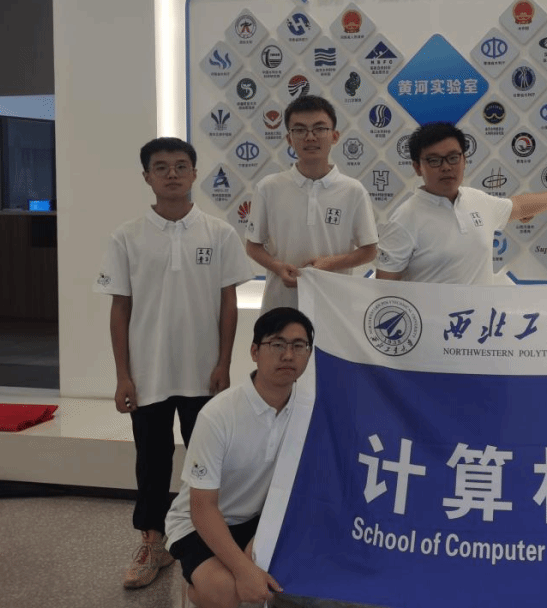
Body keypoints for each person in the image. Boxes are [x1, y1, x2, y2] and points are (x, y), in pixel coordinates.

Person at [93, 137, 255, 589]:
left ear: (194, 173)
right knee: (152, 459)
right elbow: (120, 308)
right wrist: (123, 375)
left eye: (181, 166)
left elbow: (228, 304)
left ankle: (212, 540)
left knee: (210, 461)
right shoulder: (127, 236)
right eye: (161, 167)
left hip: (204, 373)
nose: (171, 174)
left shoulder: (219, 233)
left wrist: (224, 363)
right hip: (149, 374)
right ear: (147, 176)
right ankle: (152, 542)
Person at [165, 307, 314, 608]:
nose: (288, 355)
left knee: (294, 580)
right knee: (228, 592)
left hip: (260, 518)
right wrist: (244, 569)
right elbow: (202, 508)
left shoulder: (309, 410)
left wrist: (259, 540)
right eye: (277, 344)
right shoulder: (218, 415)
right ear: (255, 352)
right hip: (199, 522)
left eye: (299, 346)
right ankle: (192, 593)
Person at [375, 121, 547, 284]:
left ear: (464, 160)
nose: (446, 167)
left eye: (453, 157)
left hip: (481, 326)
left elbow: (518, 206)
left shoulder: (477, 199)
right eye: (434, 160)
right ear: (417, 167)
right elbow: (385, 287)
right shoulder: (404, 218)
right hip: (433, 328)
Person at [246, 94, 378, 311]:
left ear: (334, 136)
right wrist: (277, 267)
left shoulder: (353, 191)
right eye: (299, 130)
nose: (310, 137)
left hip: (334, 307)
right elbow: (253, 245)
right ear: (289, 139)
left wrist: (331, 264)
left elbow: (369, 250)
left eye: (319, 128)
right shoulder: (268, 187)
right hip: (282, 304)